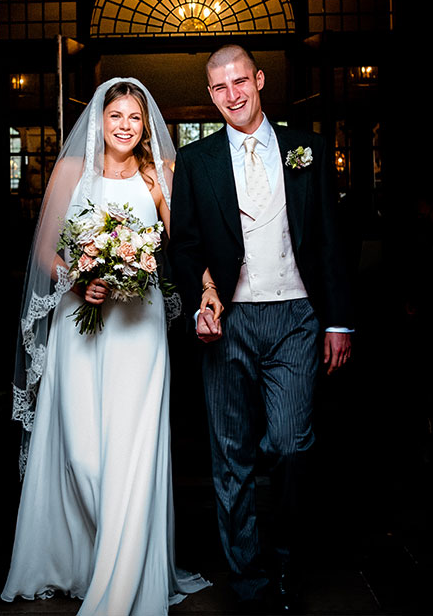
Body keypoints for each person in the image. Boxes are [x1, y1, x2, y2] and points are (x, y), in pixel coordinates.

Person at [2, 78, 210, 616]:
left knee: (131, 455)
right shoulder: (72, 173)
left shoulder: (157, 174)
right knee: (85, 455)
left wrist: (206, 289)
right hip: (79, 326)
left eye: (134, 118)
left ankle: (126, 581)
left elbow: (184, 244)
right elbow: (45, 250)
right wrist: (78, 280)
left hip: (139, 331)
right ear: (99, 121)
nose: (124, 125)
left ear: (145, 127)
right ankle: (88, 559)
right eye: (115, 115)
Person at [169, 45, 353, 612]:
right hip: (230, 322)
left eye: (240, 82)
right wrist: (203, 301)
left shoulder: (308, 149)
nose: (232, 95)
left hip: (297, 317)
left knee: (291, 445)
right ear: (211, 94)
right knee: (231, 457)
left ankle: (290, 563)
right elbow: (185, 244)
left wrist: (339, 320)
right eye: (220, 88)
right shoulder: (196, 162)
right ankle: (249, 583)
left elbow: (328, 238)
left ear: (260, 80)